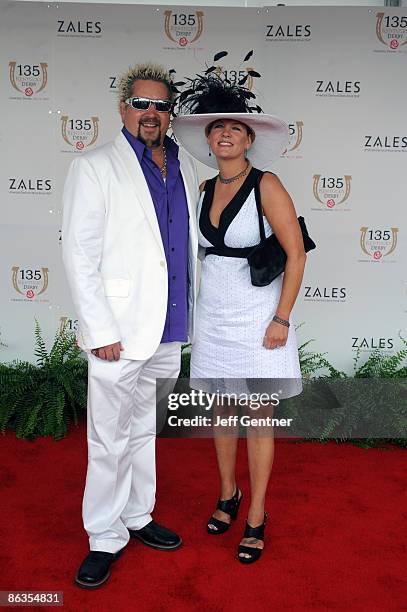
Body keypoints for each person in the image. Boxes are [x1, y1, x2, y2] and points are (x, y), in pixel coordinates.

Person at [62, 62, 199, 588]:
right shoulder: (94, 166)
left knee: (143, 430)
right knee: (107, 438)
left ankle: (138, 515)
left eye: (161, 105)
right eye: (141, 103)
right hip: (116, 332)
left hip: (168, 327)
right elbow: (79, 254)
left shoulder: (186, 167)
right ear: (123, 108)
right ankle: (103, 535)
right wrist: (99, 331)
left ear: (170, 114)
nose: (151, 113)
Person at [172, 75, 306, 564]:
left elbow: (296, 255)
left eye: (235, 128)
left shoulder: (267, 185)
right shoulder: (204, 187)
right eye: (217, 127)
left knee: (258, 420)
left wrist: (282, 319)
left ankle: (256, 514)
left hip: (259, 319)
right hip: (214, 319)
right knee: (222, 414)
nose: (225, 134)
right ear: (209, 140)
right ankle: (227, 494)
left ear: (249, 139)